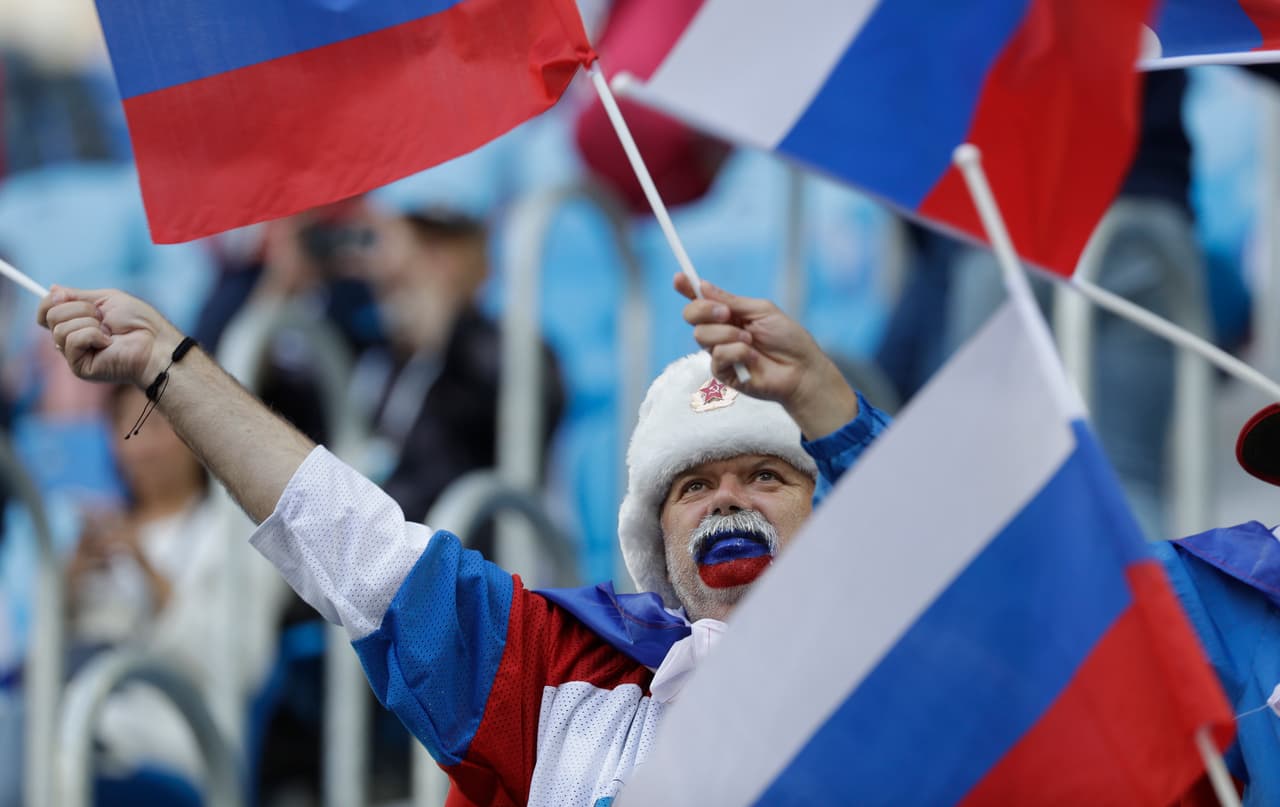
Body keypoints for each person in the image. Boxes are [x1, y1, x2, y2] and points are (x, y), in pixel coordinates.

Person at [37, 275, 890, 805]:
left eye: (768, 476)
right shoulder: (565, 687)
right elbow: (353, 545)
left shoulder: (899, 672)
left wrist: (823, 401)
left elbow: (960, 574)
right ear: (655, 541)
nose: (725, 500)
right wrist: (170, 367)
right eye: (693, 485)